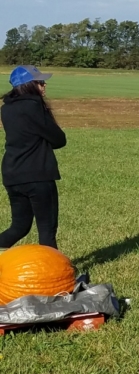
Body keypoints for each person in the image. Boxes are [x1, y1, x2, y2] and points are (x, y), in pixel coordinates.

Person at [0, 66, 66, 250]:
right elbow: (59, 139)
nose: (44, 86)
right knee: (47, 231)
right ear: (29, 85)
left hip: (12, 175)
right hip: (38, 175)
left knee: (19, 227)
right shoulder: (34, 106)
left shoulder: (6, 109)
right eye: (40, 82)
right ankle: (53, 274)